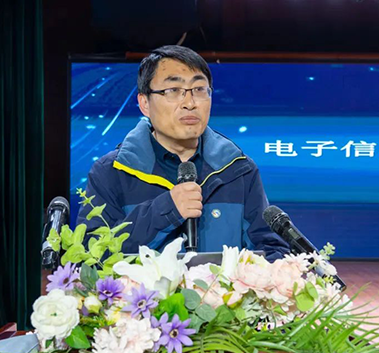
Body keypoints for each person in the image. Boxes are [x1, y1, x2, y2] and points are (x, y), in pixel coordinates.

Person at [77, 45, 290, 260]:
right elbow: (91, 258)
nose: (190, 103)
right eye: (173, 90)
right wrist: (166, 209)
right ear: (144, 103)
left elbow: (272, 250)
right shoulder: (111, 172)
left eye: (199, 89)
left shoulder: (239, 170)